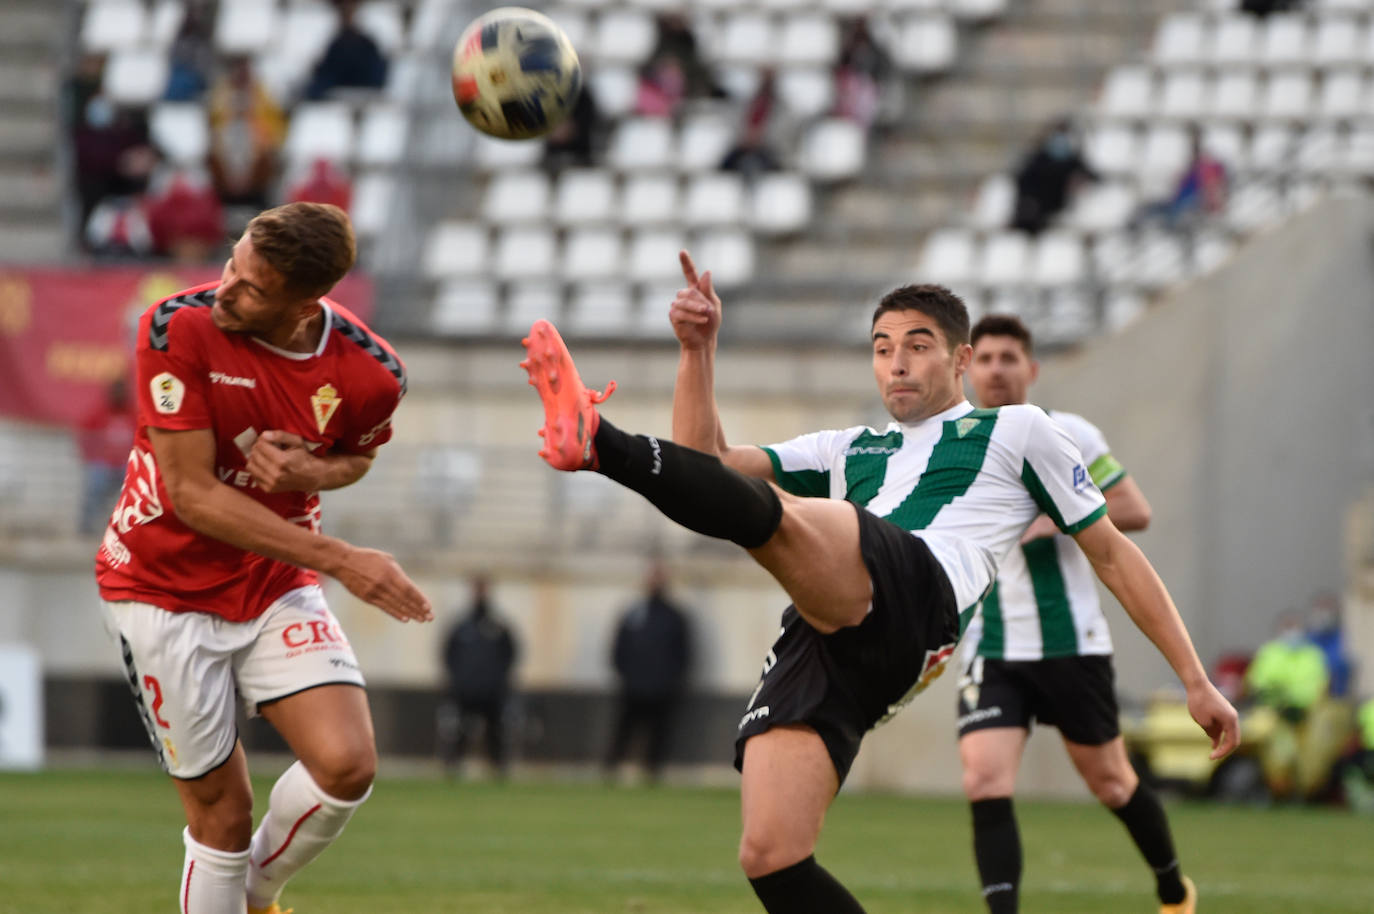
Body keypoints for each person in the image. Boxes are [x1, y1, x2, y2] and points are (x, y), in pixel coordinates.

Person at [519, 250, 1239, 913]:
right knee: (772, 854)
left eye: (917, 346)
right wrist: (697, 350)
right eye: (883, 348)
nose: (897, 364)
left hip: (919, 595)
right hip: (829, 634)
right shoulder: (848, 447)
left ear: (958, 360)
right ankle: (602, 442)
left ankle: (599, 443)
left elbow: (1113, 552)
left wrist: (1195, 680)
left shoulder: (1020, 431)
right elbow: (698, 462)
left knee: (810, 519)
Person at [94, 202, 433, 914]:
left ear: (306, 305)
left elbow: (357, 457)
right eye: (231, 265)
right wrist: (341, 558)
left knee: (347, 766)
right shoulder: (175, 328)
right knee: (222, 816)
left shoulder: (372, 375)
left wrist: (314, 473)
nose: (226, 289)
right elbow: (192, 495)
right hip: (161, 589)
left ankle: (256, 893)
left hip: (273, 581)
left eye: (251, 288)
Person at [956, 314, 1195, 914]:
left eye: (1009, 358)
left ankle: (1172, 887)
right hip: (991, 646)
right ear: (966, 368)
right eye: (984, 358)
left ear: (1031, 370)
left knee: (1112, 783)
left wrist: (1054, 516)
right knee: (985, 779)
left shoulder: (1068, 434)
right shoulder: (948, 442)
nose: (996, 369)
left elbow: (1133, 509)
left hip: (1071, 642)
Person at [605, 563, 693, 783]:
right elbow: (619, 647)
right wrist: (625, 674)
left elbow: (683, 652)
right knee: (624, 730)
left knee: (659, 734)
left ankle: (652, 772)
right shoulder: (634, 613)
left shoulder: (674, 616)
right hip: (633, 686)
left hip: (662, 687)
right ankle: (611, 769)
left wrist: (672, 679)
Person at [1246, 611, 1332, 801]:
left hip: (1306, 715)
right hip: (1277, 714)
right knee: (1279, 756)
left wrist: (1305, 706)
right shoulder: (1270, 653)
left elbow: (1321, 684)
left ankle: (1305, 794)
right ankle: (1278, 792)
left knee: (1309, 758)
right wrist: (1280, 704)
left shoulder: (1312, 655)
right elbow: (1258, 683)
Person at [440, 575, 519, 778]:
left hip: (493, 692)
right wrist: (458, 681)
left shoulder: (499, 627)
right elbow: (448, 655)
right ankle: (452, 767)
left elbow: (511, 655)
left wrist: (499, 681)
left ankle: (499, 769)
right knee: (459, 731)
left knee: (496, 732)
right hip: (465, 691)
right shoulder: (461, 626)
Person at [207, 57, 286, 209]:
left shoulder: (263, 96)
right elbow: (215, 127)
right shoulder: (221, 95)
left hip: (257, 151)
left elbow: (275, 128)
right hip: (228, 151)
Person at [1131, 125, 1228, 233]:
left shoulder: (1209, 167)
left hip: (1190, 205)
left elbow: (1212, 190)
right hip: (1179, 202)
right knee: (1151, 208)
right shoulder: (1192, 169)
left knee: (1170, 214)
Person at [1009, 118, 1097, 235]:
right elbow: (1022, 183)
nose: (1060, 140)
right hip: (1036, 212)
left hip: (1058, 210)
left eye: (1064, 134)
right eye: (1058, 134)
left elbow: (1092, 176)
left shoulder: (1072, 161)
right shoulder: (1037, 160)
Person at [76, 378, 138, 536]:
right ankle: (87, 526)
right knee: (96, 481)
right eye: (115, 392)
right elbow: (85, 436)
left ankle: (131, 528)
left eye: (121, 392)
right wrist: (92, 456)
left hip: (125, 465)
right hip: (103, 464)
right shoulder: (99, 412)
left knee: (137, 485)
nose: (118, 395)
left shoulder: (133, 414)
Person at [305, 0, 389, 101]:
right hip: (335, 102)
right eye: (343, 9)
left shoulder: (368, 45)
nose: (347, 13)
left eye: (350, 8)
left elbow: (377, 80)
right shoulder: (334, 46)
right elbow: (322, 81)